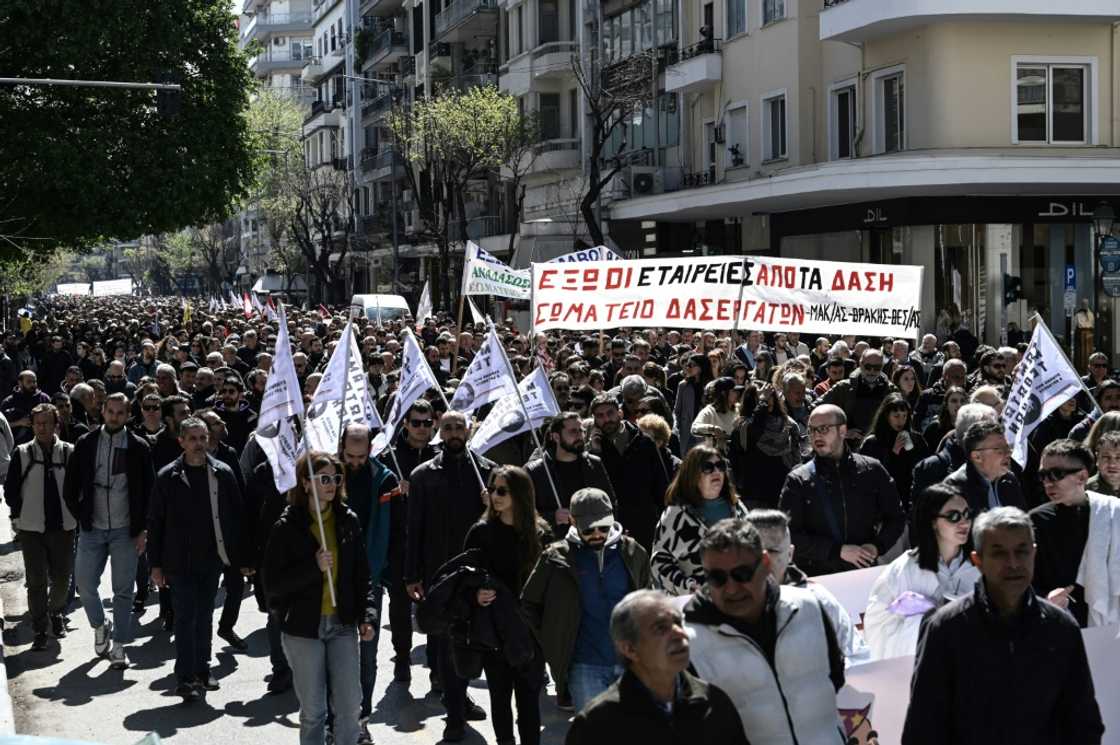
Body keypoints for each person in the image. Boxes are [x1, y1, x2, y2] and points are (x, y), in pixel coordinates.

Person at [901, 507, 1104, 745]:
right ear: (977, 560)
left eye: (1022, 551)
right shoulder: (947, 628)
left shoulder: (1060, 627)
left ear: (1034, 554)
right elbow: (923, 728)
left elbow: (1084, 723)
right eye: (999, 553)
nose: (1013, 563)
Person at [683, 518, 846, 744]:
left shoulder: (809, 607)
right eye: (717, 578)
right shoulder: (688, 643)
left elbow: (836, 677)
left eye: (742, 574)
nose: (731, 588)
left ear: (766, 563)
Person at [262, 451, 378, 745]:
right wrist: (313, 569)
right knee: (314, 711)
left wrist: (367, 615)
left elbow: (363, 575)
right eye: (323, 478)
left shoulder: (347, 520)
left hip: (342, 625)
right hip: (303, 629)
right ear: (305, 483)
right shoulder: (287, 526)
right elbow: (273, 585)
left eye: (335, 478)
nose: (331, 484)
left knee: (351, 706)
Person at [147, 417, 251, 700]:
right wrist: (154, 565)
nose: (198, 444)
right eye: (192, 439)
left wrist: (242, 558)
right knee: (184, 617)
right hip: (178, 561)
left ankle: (202, 670)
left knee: (204, 616)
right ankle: (185, 676)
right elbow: (155, 523)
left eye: (203, 438)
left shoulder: (223, 473)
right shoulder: (168, 477)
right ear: (181, 441)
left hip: (212, 559)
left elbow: (238, 518)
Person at [522, 487, 651, 712]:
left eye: (604, 526)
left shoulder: (633, 552)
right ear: (572, 521)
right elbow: (529, 603)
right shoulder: (555, 557)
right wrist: (553, 639)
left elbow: (649, 600)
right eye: (589, 529)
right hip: (583, 667)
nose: (598, 534)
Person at [404, 411, 493, 734]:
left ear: (469, 431)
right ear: (439, 433)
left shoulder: (488, 473)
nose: (454, 433)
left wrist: (491, 506)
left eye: (459, 427)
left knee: (472, 641)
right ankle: (454, 713)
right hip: (439, 573)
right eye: (448, 428)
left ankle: (461, 694)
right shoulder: (422, 475)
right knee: (443, 643)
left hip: (477, 573)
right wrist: (411, 575)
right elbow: (413, 529)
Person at [565, 590, 749, 745]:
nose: (679, 633)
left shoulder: (713, 703)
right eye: (660, 628)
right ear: (629, 648)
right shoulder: (597, 724)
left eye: (678, 622)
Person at [62, 392, 155, 670]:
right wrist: (82, 517)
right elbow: (70, 487)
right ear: (102, 412)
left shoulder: (139, 447)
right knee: (85, 584)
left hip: (126, 530)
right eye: (110, 411)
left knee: (123, 591)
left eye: (120, 412)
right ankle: (100, 624)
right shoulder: (86, 443)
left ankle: (119, 646)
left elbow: (150, 492)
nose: (115, 416)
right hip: (93, 529)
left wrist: (143, 529)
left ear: (128, 415)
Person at [463, 466, 550, 745]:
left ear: (520, 495)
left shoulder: (540, 534)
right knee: (499, 699)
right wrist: (475, 596)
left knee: (529, 704)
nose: (494, 496)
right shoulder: (480, 532)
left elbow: (552, 584)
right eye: (492, 489)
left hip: (529, 633)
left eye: (502, 490)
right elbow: (464, 579)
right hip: (494, 631)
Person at [778, 404, 905, 575]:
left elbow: (896, 518)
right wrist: (836, 551)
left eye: (823, 429)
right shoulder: (798, 479)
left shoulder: (871, 470)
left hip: (863, 573)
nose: (816, 435)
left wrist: (877, 546)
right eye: (812, 430)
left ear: (843, 430)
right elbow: (787, 534)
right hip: (818, 577)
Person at [863, 484, 980, 660]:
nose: (964, 522)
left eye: (967, 514)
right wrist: (926, 619)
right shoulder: (904, 569)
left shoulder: (979, 566)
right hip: (924, 669)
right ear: (933, 521)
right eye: (953, 516)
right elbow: (877, 628)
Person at [745, 508, 869, 665]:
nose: (763, 560)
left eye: (772, 551)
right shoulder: (726, 605)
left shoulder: (818, 601)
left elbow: (859, 655)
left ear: (790, 554)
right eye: (755, 551)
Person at [340, 423, 400, 740]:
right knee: (334, 653)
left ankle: (361, 718)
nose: (355, 462)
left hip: (370, 579)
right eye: (350, 455)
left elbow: (391, 531)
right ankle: (335, 719)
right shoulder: (329, 476)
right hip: (332, 580)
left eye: (361, 456)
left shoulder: (385, 479)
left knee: (367, 652)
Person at [5, 403, 76, 650]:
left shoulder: (69, 452)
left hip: (64, 527)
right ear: (33, 425)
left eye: (47, 423)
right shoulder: (22, 453)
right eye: (38, 423)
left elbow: (80, 488)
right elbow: (11, 489)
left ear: (56, 424)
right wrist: (16, 516)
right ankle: (39, 626)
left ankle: (56, 613)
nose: (42, 428)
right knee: (35, 580)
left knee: (61, 579)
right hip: (31, 528)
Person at [1030, 438, 1120, 628]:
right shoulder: (1035, 521)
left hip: (1110, 626)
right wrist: (1045, 598)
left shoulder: (1112, 513)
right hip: (1059, 623)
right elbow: (1024, 580)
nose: (1047, 482)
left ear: (1082, 476)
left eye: (1056, 474)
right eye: (1043, 475)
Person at [650, 446, 748, 596]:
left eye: (720, 466)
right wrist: (687, 587)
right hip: (694, 604)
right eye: (708, 467)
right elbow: (659, 562)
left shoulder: (737, 508)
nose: (716, 472)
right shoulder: (675, 515)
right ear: (693, 475)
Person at [588, 393, 669, 552]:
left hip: (646, 525)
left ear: (620, 413)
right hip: (610, 528)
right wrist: (595, 452)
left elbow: (661, 485)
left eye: (610, 413)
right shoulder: (593, 449)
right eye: (600, 416)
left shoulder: (644, 442)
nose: (606, 419)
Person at [527, 412, 614, 536]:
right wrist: (552, 517)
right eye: (573, 431)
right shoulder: (536, 471)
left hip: (593, 540)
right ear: (556, 437)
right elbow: (523, 512)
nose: (579, 436)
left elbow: (610, 503)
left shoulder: (594, 464)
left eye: (581, 431)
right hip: (554, 544)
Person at [727, 382, 802, 509]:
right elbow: (755, 431)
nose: (768, 400)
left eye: (770, 396)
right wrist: (762, 403)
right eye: (762, 397)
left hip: (783, 492)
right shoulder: (743, 427)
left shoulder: (787, 425)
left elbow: (796, 457)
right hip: (755, 495)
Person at [859, 393, 929, 513]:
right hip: (883, 503)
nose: (901, 420)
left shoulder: (917, 439)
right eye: (896, 416)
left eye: (904, 416)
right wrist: (893, 453)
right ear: (887, 416)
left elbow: (924, 468)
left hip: (910, 501)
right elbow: (869, 477)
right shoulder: (873, 443)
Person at [941, 420, 1026, 514]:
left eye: (1008, 447)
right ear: (977, 457)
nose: (1008, 453)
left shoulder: (1010, 480)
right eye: (999, 449)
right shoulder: (956, 487)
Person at [818, 349, 896, 440]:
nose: (872, 371)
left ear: (882, 367)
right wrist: (841, 432)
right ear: (861, 364)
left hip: (880, 446)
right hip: (850, 447)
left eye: (877, 367)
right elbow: (817, 410)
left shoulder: (891, 390)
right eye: (868, 366)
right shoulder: (844, 388)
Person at [921, 385, 966, 452]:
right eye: (954, 401)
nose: (959, 404)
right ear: (946, 406)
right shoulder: (934, 428)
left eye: (962, 401)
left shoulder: (970, 427)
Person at [1087, 430, 1120, 496]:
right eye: (1106, 457)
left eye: (1118, 458)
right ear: (1097, 458)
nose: (1112, 464)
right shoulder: (1085, 491)